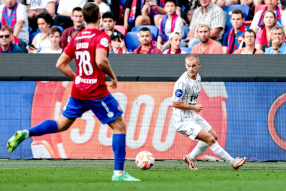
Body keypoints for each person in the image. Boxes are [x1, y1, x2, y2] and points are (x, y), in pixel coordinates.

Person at [7, 2, 140, 182]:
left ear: (83, 19)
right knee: (119, 127)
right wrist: (113, 77)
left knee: (62, 124)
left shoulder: (76, 38)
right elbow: (101, 61)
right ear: (100, 17)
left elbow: (60, 64)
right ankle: (119, 173)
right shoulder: (101, 37)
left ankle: (27, 133)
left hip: (79, 90)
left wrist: (77, 77)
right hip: (96, 91)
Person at [172, 54, 247, 170]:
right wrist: (194, 107)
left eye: (193, 66)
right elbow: (175, 103)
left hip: (192, 116)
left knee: (214, 136)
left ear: (199, 65)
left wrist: (193, 109)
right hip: (182, 121)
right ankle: (233, 162)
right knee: (210, 139)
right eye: (188, 66)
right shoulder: (181, 83)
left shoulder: (198, 78)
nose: (191, 69)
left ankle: (190, 157)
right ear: (185, 66)